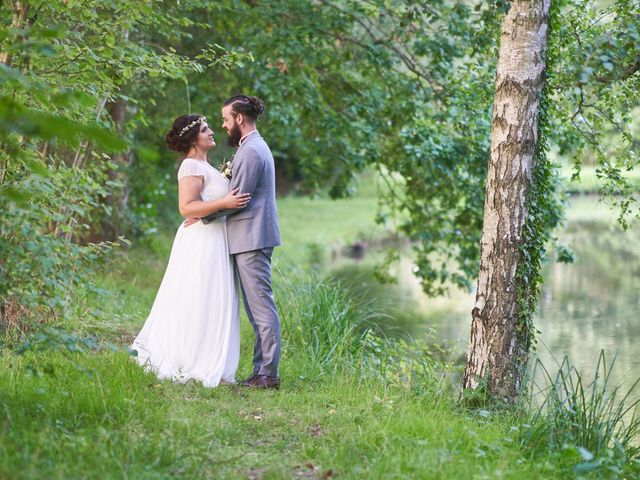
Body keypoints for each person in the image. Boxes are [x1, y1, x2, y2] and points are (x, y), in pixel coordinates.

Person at [131, 114, 250, 387]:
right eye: (205, 129)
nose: (211, 132)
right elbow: (186, 208)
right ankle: (193, 358)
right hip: (201, 241)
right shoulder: (189, 166)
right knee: (201, 295)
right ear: (193, 138)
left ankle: (213, 360)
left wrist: (224, 202)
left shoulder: (206, 166)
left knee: (216, 297)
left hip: (217, 238)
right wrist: (226, 201)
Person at [200, 95, 282, 389]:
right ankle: (262, 370)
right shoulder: (252, 146)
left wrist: (201, 216)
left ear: (239, 119)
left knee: (261, 306)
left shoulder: (251, 151)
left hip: (252, 236)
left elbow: (237, 200)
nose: (223, 126)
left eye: (225, 119)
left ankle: (268, 374)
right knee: (256, 306)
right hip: (250, 236)